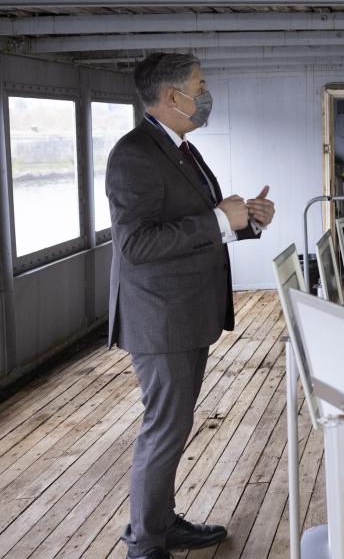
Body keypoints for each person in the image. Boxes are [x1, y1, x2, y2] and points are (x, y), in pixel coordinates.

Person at [107, 53, 275, 559]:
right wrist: (221, 221)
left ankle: (160, 522)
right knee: (164, 431)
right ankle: (146, 543)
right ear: (171, 96)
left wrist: (246, 220)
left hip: (184, 314)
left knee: (173, 428)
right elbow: (135, 244)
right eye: (199, 87)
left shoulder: (180, 148)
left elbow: (202, 221)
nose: (206, 96)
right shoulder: (133, 154)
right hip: (160, 320)